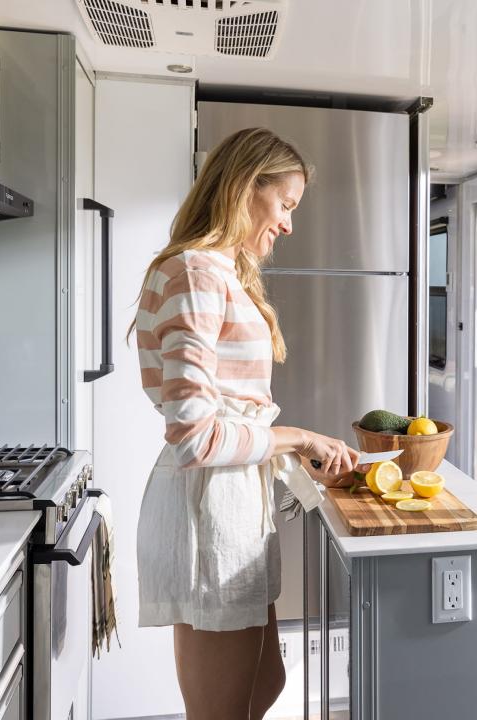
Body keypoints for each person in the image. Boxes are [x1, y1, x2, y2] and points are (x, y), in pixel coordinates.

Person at [129, 127, 367, 719]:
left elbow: (227, 414)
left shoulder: (217, 271)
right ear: (243, 187)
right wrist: (300, 436)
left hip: (232, 502)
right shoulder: (197, 272)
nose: (288, 224)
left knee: (264, 685)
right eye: (284, 205)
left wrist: (300, 461)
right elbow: (196, 435)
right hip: (209, 510)